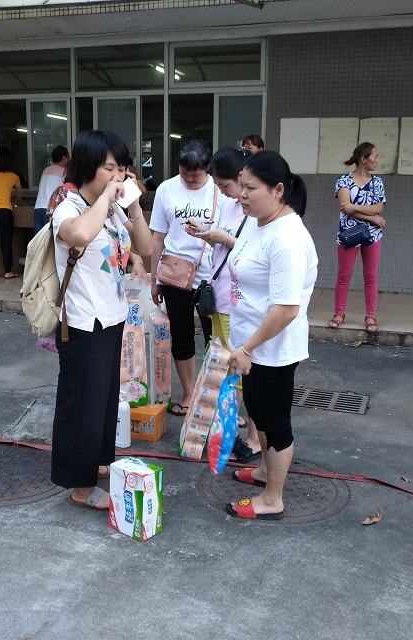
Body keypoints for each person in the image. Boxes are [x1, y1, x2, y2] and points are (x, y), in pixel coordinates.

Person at [50, 129, 152, 510]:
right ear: (88, 167)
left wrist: (134, 207)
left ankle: (94, 462)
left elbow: (146, 247)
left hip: (111, 318)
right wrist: (109, 197)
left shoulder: (110, 210)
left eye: (121, 168)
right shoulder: (68, 207)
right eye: (109, 168)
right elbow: (77, 234)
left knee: (104, 402)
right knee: (82, 407)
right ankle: (80, 488)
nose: (118, 175)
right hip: (82, 322)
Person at [225, 150, 318, 520]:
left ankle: (272, 498)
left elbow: (286, 309)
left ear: (278, 190)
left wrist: (247, 347)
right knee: (258, 413)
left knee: (275, 423)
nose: (241, 195)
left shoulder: (288, 239)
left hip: (272, 348)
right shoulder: (257, 221)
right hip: (251, 345)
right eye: (241, 186)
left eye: (250, 188)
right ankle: (264, 470)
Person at [185, 147, 261, 462]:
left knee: (241, 369)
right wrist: (205, 234)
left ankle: (253, 438)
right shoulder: (229, 205)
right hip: (219, 297)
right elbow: (224, 243)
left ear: (241, 177)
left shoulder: (254, 208)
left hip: (238, 302)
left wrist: (224, 239)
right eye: (218, 185)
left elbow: (255, 252)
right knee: (222, 366)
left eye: (225, 185)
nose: (223, 191)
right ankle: (229, 432)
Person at [149, 139, 225, 417]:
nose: (190, 180)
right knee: (181, 338)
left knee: (216, 340)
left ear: (208, 168)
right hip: (175, 275)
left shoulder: (220, 190)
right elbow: (158, 237)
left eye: (196, 175)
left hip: (212, 278)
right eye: (185, 174)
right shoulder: (166, 189)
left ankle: (216, 399)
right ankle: (190, 394)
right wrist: (155, 279)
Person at [328, 142, 386, 332]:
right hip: (348, 234)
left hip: (372, 235)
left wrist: (356, 207)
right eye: (375, 156)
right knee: (344, 276)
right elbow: (346, 208)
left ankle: (370, 316)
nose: (377, 160)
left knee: (371, 277)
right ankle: (339, 313)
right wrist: (372, 218)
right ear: (363, 159)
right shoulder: (344, 180)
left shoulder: (377, 182)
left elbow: (378, 208)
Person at [34, 145, 70, 236]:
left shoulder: (46, 170)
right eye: (68, 157)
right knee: (50, 238)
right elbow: (66, 189)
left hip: (38, 207)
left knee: (39, 239)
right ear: (64, 158)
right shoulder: (64, 171)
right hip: (50, 208)